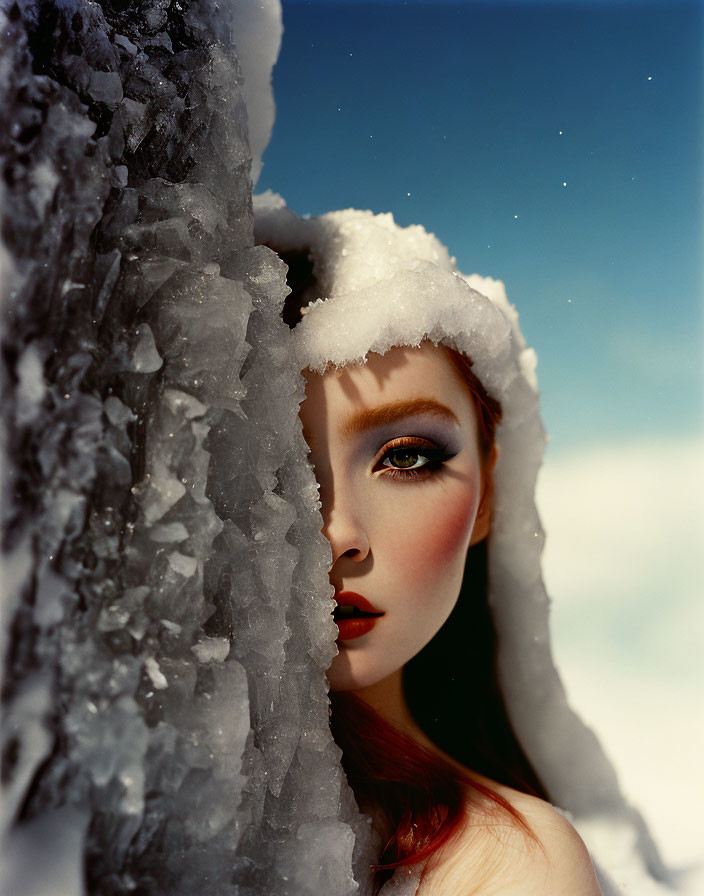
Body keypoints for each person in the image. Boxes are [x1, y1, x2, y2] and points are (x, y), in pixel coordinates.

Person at [254, 195, 665, 896]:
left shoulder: (509, 867)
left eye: (407, 457)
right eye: (276, 465)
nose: (339, 535)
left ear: (489, 501)